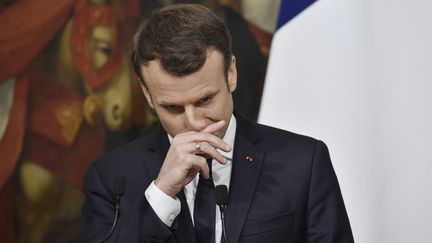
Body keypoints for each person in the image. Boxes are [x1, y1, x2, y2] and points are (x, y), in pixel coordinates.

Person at [78, 4, 354, 243]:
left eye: (205, 100)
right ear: (148, 95)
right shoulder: (111, 178)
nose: (193, 122)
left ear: (231, 74)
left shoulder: (303, 162)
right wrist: (161, 194)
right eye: (172, 107)